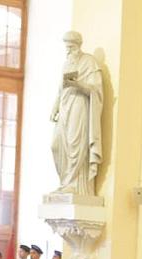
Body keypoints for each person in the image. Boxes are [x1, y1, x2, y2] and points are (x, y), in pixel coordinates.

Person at [50, 31, 103, 196]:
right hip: (65, 106)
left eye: (71, 47)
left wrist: (78, 84)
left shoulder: (89, 62)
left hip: (80, 105)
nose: (68, 51)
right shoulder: (66, 64)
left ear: (78, 45)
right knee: (56, 144)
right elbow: (61, 88)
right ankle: (65, 181)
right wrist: (55, 106)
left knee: (75, 143)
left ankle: (75, 184)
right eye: (66, 47)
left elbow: (96, 89)